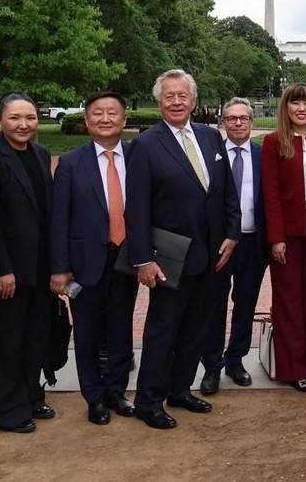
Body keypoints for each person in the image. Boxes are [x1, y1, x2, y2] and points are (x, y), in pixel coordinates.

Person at [126, 69, 240, 430]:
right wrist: (143, 259)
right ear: (159, 102)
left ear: (193, 100)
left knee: (196, 329)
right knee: (163, 331)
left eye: (182, 95)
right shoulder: (146, 145)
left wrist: (232, 233)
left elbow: (227, 191)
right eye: (169, 96)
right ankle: (148, 401)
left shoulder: (210, 136)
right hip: (169, 257)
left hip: (212, 255)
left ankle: (179, 389)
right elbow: (136, 208)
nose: (176, 102)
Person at [49, 90, 139, 425]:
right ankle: (94, 397)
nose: (105, 118)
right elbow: (59, 219)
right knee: (87, 333)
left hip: (127, 259)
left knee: (121, 329)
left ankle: (116, 391)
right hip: (84, 263)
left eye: (112, 112)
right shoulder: (71, 163)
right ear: (86, 121)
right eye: (97, 113)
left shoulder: (138, 157)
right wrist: (60, 267)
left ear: (124, 119)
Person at [0, 92, 56, 434]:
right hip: (8, 268)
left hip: (40, 265)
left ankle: (31, 396)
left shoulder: (41, 154)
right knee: (7, 341)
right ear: (0, 120)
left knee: (36, 336)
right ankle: (8, 410)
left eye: (30, 117)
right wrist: (3, 269)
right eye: (15, 117)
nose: (23, 124)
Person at [261, 84, 306, 391]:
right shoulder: (274, 142)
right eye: (295, 103)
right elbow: (271, 194)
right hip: (288, 229)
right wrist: (276, 237)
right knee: (288, 297)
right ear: (286, 107)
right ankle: (293, 366)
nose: (302, 109)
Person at [198, 98, 268, 394]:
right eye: (231, 118)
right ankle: (212, 365)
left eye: (243, 118)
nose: (238, 123)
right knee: (214, 306)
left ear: (252, 122)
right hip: (219, 244)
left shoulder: (264, 155)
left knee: (246, 303)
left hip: (253, 242)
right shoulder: (210, 156)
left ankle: (235, 359)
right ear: (222, 123)